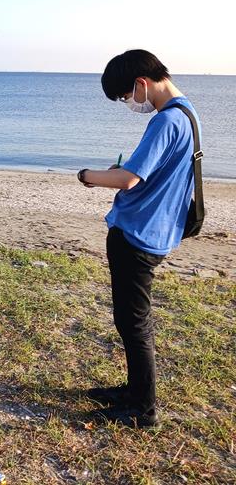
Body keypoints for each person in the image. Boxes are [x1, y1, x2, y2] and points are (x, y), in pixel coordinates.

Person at [76, 49, 200, 428]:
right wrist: (124, 171)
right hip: (158, 227)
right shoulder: (188, 112)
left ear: (141, 84)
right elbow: (148, 172)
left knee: (133, 321)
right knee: (132, 319)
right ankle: (133, 390)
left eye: (125, 97)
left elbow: (129, 179)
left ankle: (142, 409)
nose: (129, 104)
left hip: (138, 232)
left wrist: (87, 175)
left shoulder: (166, 121)